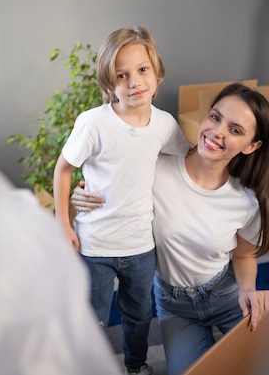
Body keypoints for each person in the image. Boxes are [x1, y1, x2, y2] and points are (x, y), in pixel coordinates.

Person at [71, 82, 269, 375]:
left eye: (235, 130)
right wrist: (79, 196)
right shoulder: (153, 167)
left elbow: (244, 256)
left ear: (252, 146)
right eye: (216, 117)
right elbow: (103, 187)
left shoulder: (247, 198)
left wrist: (248, 289)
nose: (217, 132)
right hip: (174, 305)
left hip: (226, 295)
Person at [53, 26, 190, 375]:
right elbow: (64, 169)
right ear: (108, 83)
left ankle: (135, 364)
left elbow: (187, 162)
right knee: (94, 318)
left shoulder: (164, 124)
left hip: (141, 243)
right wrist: (63, 223)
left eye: (142, 70)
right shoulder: (93, 123)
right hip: (96, 243)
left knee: (139, 313)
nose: (134, 82)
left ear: (157, 73)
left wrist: (246, 176)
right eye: (122, 75)